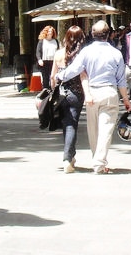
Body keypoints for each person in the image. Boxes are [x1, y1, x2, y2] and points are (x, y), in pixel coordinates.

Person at [56, 20, 131, 174]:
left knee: (93, 130)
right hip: (109, 93)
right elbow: (121, 80)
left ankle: (96, 159)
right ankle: (99, 163)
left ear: (92, 34)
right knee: (106, 130)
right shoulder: (116, 53)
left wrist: (60, 76)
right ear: (108, 34)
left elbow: (75, 69)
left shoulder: (86, 52)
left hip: (92, 94)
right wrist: (125, 99)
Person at [50, 25, 87, 173]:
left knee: (67, 123)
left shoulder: (59, 54)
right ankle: (67, 158)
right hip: (76, 94)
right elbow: (84, 76)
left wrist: (53, 91)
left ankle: (71, 155)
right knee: (71, 124)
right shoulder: (81, 55)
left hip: (60, 94)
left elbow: (52, 77)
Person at [35, 25, 59, 91]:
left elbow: (58, 51)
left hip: (53, 61)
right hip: (44, 62)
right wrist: (39, 59)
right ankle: (45, 91)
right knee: (45, 78)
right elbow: (38, 51)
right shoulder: (42, 41)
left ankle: (53, 90)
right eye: (49, 31)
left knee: (53, 76)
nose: (50, 33)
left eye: (51, 32)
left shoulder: (55, 41)